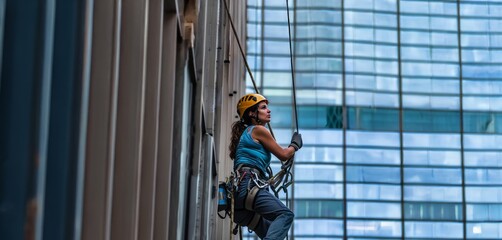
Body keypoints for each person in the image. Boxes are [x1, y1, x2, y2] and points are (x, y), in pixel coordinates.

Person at [228, 93, 302, 239]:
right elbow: (283, 154)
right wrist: (295, 145)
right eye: (263, 108)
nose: (268, 111)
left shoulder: (246, 134)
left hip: (240, 201)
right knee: (285, 215)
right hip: (248, 186)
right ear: (252, 113)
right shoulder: (258, 130)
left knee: (271, 233)